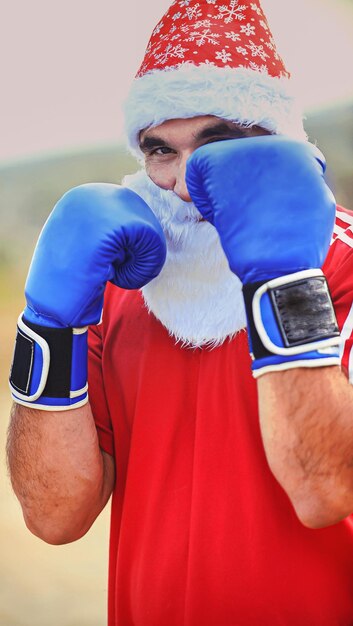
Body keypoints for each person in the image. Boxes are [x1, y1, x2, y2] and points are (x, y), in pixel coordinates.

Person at [7, 1, 353, 624]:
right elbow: (54, 515)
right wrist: (49, 326)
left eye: (218, 143)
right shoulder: (121, 286)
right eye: (160, 151)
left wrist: (283, 279)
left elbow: (326, 491)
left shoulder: (345, 266)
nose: (187, 185)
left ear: (277, 141)